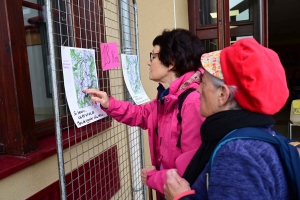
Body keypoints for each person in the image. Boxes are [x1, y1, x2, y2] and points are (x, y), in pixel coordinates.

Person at [163, 38, 293, 200]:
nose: (198, 89)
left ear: (223, 94)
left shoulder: (237, 154)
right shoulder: (258, 137)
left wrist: (180, 197)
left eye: (203, 83)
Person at [84, 29, 206, 199]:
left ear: (171, 62)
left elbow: (191, 169)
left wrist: (152, 177)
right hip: (167, 191)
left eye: (153, 56)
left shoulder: (192, 102)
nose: (149, 62)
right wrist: (108, 103)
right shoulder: (166, 97)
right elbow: (140, 114)